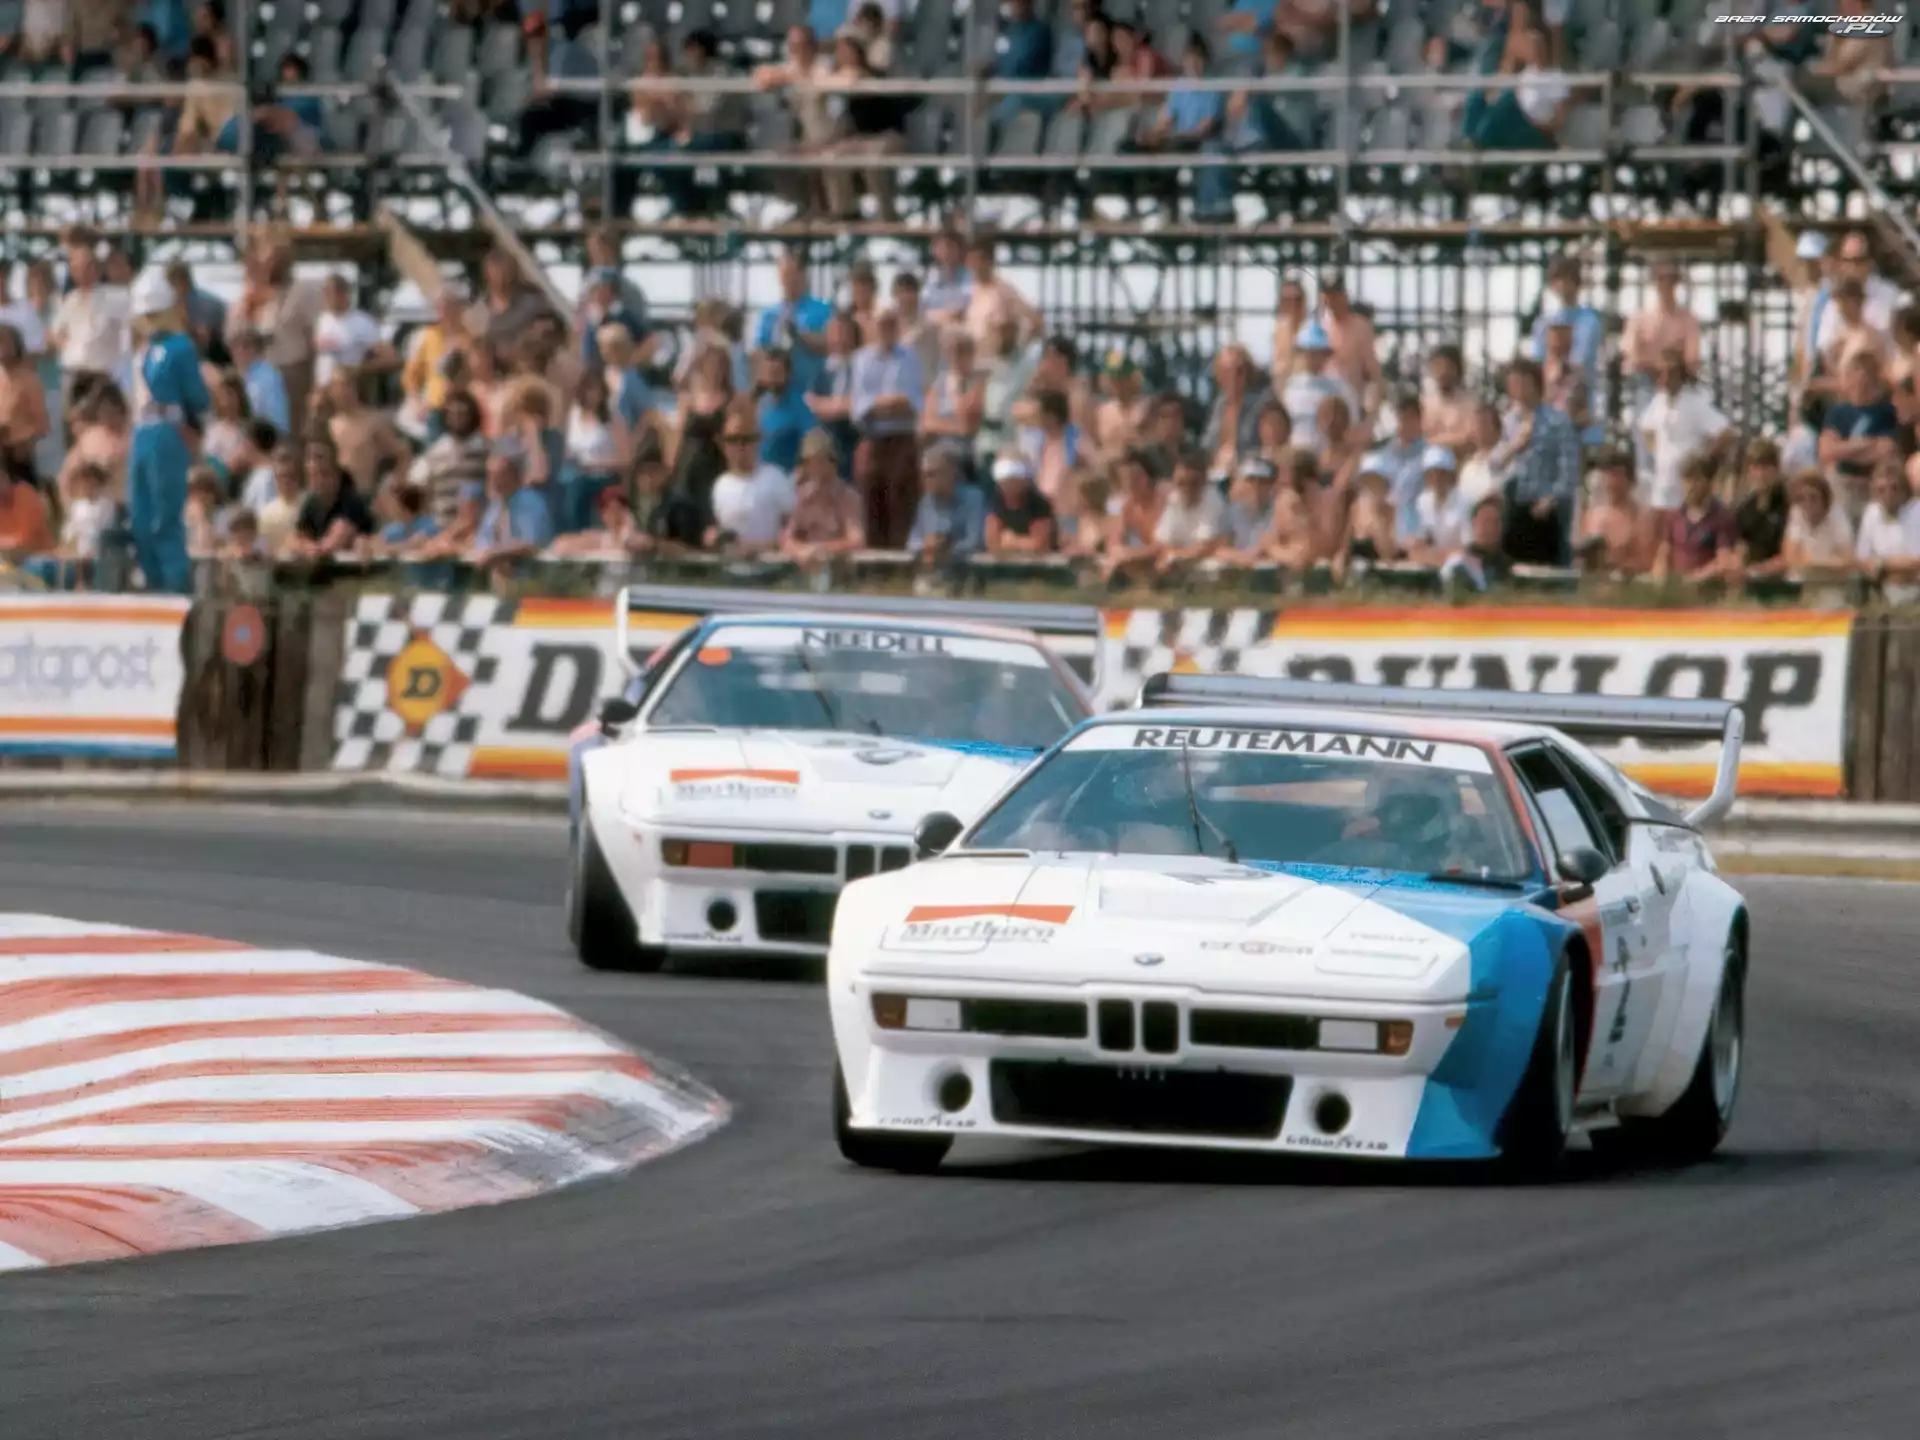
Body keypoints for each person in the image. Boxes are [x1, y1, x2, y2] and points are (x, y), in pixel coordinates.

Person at [125, 270, 210, 594]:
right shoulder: (140, 351)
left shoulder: (180, 346)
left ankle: (174, 586)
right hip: (141, 431)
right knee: (140, 515)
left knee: (165, 513)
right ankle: (152, 581)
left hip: (166, 429)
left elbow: (197, 396)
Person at [849, 307, 924, 547]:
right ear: (874, 327)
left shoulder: (910, 357)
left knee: (900, 500)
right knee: (869, 496)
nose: (886, 329)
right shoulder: (861, 359)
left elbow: (912, 403)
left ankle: (898, 556)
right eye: (882, 324)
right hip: (873, 437)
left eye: (891, 323)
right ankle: (873, 557)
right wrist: (889, 403)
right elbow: (860, 407)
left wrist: (879, 404)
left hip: (903, 438)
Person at [1496, 357, 1580, 565]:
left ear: (1536, 384)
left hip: (1548, 507)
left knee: (1549, 566)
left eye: (1522, 383)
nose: (1518, 389)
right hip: (1516, 504)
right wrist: (1515, 446)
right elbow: (1494, 464)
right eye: (1513, 384)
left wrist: (1551, 498)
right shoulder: (1507, 422)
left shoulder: (1558, 421)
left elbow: (1569, 471)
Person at [1636, 348, 1733, 525]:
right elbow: (1646, 427)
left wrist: (1704, 460)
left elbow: (1726, 433)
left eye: (1670, 372)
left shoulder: (1695, 402)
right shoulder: (1658, 401)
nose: (1664, 377)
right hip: (1663, 482)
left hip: (1688, 486)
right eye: (1661, 372)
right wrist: (1657, 452)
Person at [706, 406, 795, 554]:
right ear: (722, 444)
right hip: (730, 565)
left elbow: (794, 529)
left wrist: (753, 548)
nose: (740, 447)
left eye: (747, 439)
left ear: (758, 440)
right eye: (733, 440)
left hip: (770, 564)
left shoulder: (775, 478)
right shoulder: (720, 486)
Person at [781, 431, 867, 565]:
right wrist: (801, 551)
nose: (816, 468)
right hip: (805, 570)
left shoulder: (846, 497)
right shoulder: (802, 497)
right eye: (810, 462)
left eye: (821, 461)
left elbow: (856, 541)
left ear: (833, 463)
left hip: (839, 569)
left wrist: (821, 549)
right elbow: (786, 539)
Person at [1652, 455, 1739, 583]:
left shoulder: (1721, 519)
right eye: (1687, 479)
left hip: (1708, 588)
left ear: (1708, 483)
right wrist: (1660, 574)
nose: (1691, 486)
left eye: (1696, 480)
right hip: (1678, 586)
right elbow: (1664, 551)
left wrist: (1696, 577)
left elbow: (1724, 560)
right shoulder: (1674, 518)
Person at [472, 450, 557, 578]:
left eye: (499, 475)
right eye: (490, 476)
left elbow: (531, 545)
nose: (493, 481)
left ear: (515, 476)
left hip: (533, 577)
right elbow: (482, 542)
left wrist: (496, 554)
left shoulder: (532, 502)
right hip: (503, 579)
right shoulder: (495, 507)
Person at [290, 438, 375, 560]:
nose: (319, 481)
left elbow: (338, 537)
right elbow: (298, 537)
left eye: (324, 474)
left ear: (337, 474)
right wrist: (306, 546)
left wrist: (313, 550)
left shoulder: (351, 501)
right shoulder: (310, 503)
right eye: (313, 476)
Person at [908, 447, 986, 574]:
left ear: (949, 473)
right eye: (923, 475)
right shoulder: (925, 503)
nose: (925, 480)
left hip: (967, 572)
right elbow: (912, 541)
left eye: (931, 474)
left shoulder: (974, 498)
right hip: (932, 570)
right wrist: (927, 544)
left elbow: (976, 541)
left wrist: (947, 547)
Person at [1280, 321, 1356, 451]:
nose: (1313, 358)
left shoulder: (1339, 388)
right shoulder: (1290, 388)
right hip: (1297, 456)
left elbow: (1352, 424)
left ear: (1326, 355)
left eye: (1319, 353)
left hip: (1327, 456)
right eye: (1309, 352)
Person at [1576, 450, 1654, 575]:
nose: (1613, 482)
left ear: (1630, 480)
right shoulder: (1594, 516)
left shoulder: (1643, 518)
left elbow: (1647, 561)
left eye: (1617, 476)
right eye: (1609, 476)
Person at [313, 273, 384, 389]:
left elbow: (382, 356)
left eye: (331, 292)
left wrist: (357, 370)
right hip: (324, 386)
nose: (327, 297)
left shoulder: (363, 322)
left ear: (344, 294)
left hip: (350, 387)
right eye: (325, 292)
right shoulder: (323, 320)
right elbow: (320, 356)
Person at [1782, 468, 1856, 573]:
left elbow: (1847, 560)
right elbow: (1790, 558)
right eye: (1801, 498)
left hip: (1831, 579)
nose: (1807, 503)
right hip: (1800, 579)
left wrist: (1810, 561)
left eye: (1813, 497)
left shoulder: (1837, 516)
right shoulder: (1796, 513)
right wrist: (1827, 560)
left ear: (1824, 499)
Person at [1440, 494, 1514, 592]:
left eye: (1495, 522)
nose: (1490, 528)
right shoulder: (1459, 565)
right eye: (1485, 522)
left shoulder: (1510, 568)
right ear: (1474, 524)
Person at [984, 454, 1056, 554]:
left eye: (1014, 480)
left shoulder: (1040, 505)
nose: (1010, 486)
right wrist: (1025, 542)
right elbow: (992, 543)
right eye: (1006, 482)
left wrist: (1013, 541)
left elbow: (1041, 544)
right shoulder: (995, 504)